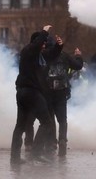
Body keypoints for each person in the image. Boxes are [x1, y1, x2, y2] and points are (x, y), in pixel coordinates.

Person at [10, 25, 63, 164]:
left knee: (20, 126)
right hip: (30, 92)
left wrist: (58, 46)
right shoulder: (28, 51)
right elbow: (37, 45)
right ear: (36, 42)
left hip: (25, 92)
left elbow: (51, 54)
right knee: (47, 122)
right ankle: (35, 153)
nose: (44, 45)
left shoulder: (39, 55)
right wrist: (44, 32)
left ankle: (15, 158)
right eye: (43, 43)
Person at [45, 43, 83, 156]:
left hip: (48, 91)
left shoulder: (45, 56)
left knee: (50, 118)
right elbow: (78, 66)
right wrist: (78, 56)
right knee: (62, 120)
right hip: (62, 91)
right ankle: (62, 141)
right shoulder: (64, 56)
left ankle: (52, 142)